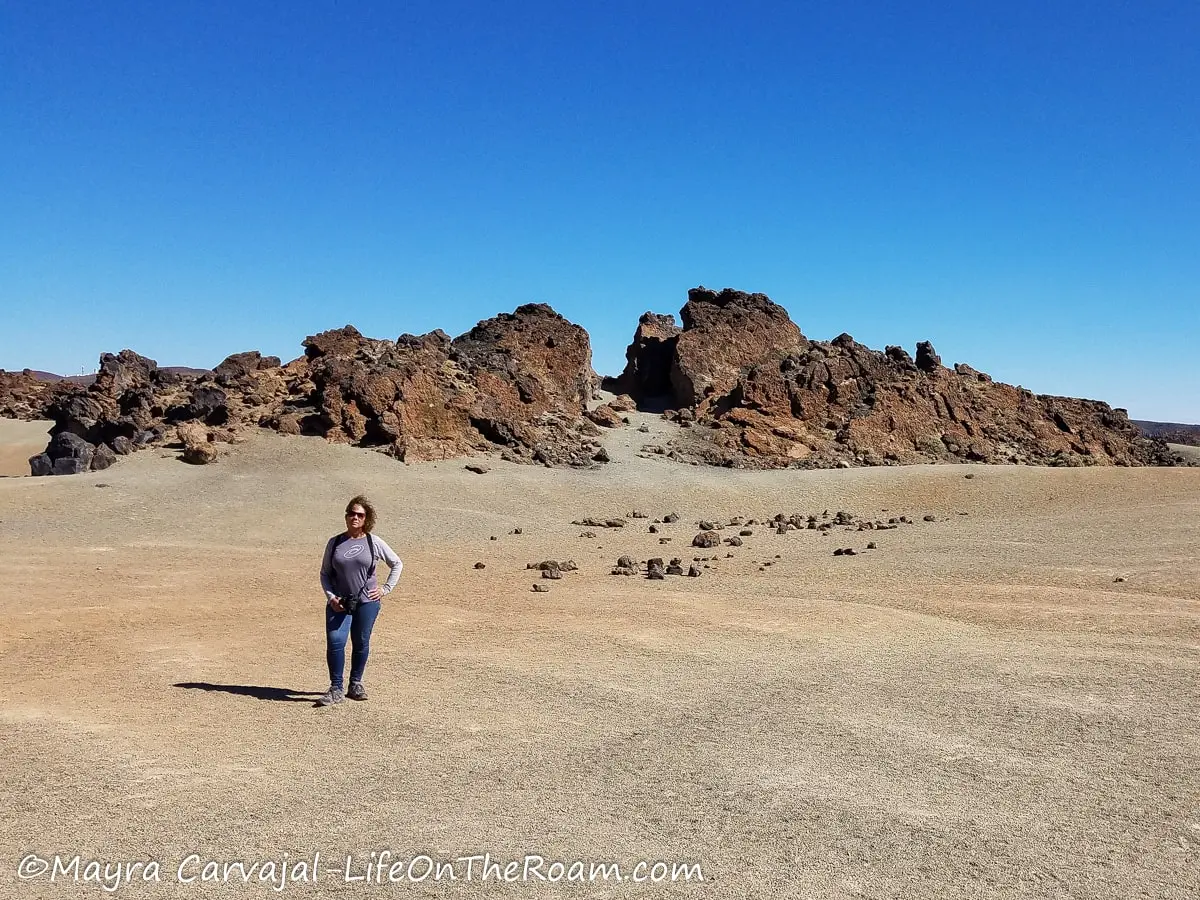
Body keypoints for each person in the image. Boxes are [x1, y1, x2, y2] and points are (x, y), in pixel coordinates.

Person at [317, 495, 402, 705]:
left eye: (360, 515)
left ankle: (355, 684)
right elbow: (325, 574)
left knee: (361, 641)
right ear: (346, 516)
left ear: (366, 519)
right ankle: (335, 688)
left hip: (367, 602)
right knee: (336, 641)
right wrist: (331, 597)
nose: (355, 517)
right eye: (351, 513)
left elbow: (397, 563)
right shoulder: (335, 542)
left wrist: (385, 589)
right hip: (340, 602)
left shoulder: (374, 542)